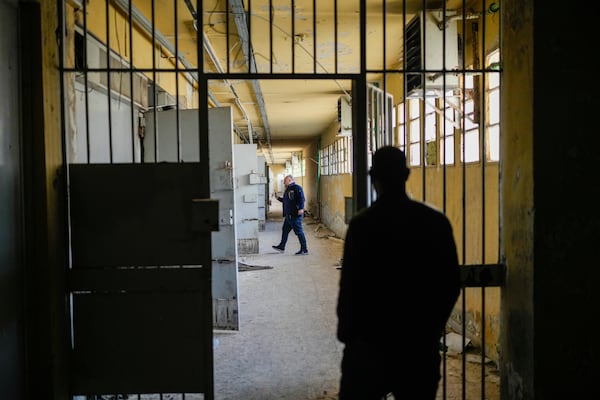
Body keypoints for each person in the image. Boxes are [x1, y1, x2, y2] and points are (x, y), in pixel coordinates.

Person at [336, 146, 461, 399]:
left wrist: (348, 333)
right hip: (417, 346)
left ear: (373, 178)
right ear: (406, 174)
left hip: (369, 345)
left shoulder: (362, 226)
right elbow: (450, 284)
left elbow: (350, 287)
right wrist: (431, 329)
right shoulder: (434, 222)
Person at [272, 175, 309, 255]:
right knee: (285, 230)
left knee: (299, 232)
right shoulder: (288, 189)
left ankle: (304, 249)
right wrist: (278, 198)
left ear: (289, 180)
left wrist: (301, 208)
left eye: (285, 181)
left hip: (295, 215)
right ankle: (282, 246)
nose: (284, 183)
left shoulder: (296, 188)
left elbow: (301, 198)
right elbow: (286, 201)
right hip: (289, 216)